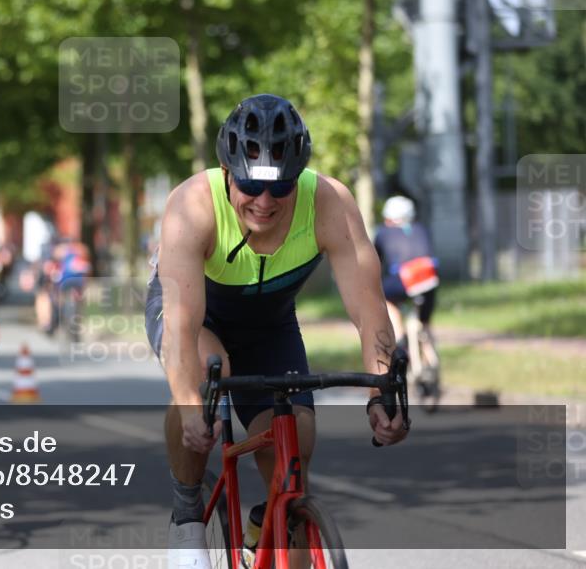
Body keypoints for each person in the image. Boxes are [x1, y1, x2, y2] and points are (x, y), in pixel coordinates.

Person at [145, 94, 409, 568]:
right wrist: (189, 405)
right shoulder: (191, 204)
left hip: (269, 324)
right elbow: (182, 328)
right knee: (208, 377)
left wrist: (382, 391)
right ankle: (186, 516)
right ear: (227, 171)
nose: (264, 202)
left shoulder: (329, 202)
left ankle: (267, 527)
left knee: (294, 446)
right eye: (251, 186)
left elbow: (371, 313)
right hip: (193, 315)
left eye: (280, 188)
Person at [374, 195, 439, 344]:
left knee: (387, 299)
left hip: (403, 278)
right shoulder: (422, 229)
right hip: (429, 277)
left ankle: (399, 335)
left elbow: (376, 259)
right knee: (425, 320)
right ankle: (430, 353)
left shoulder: (383, 232)